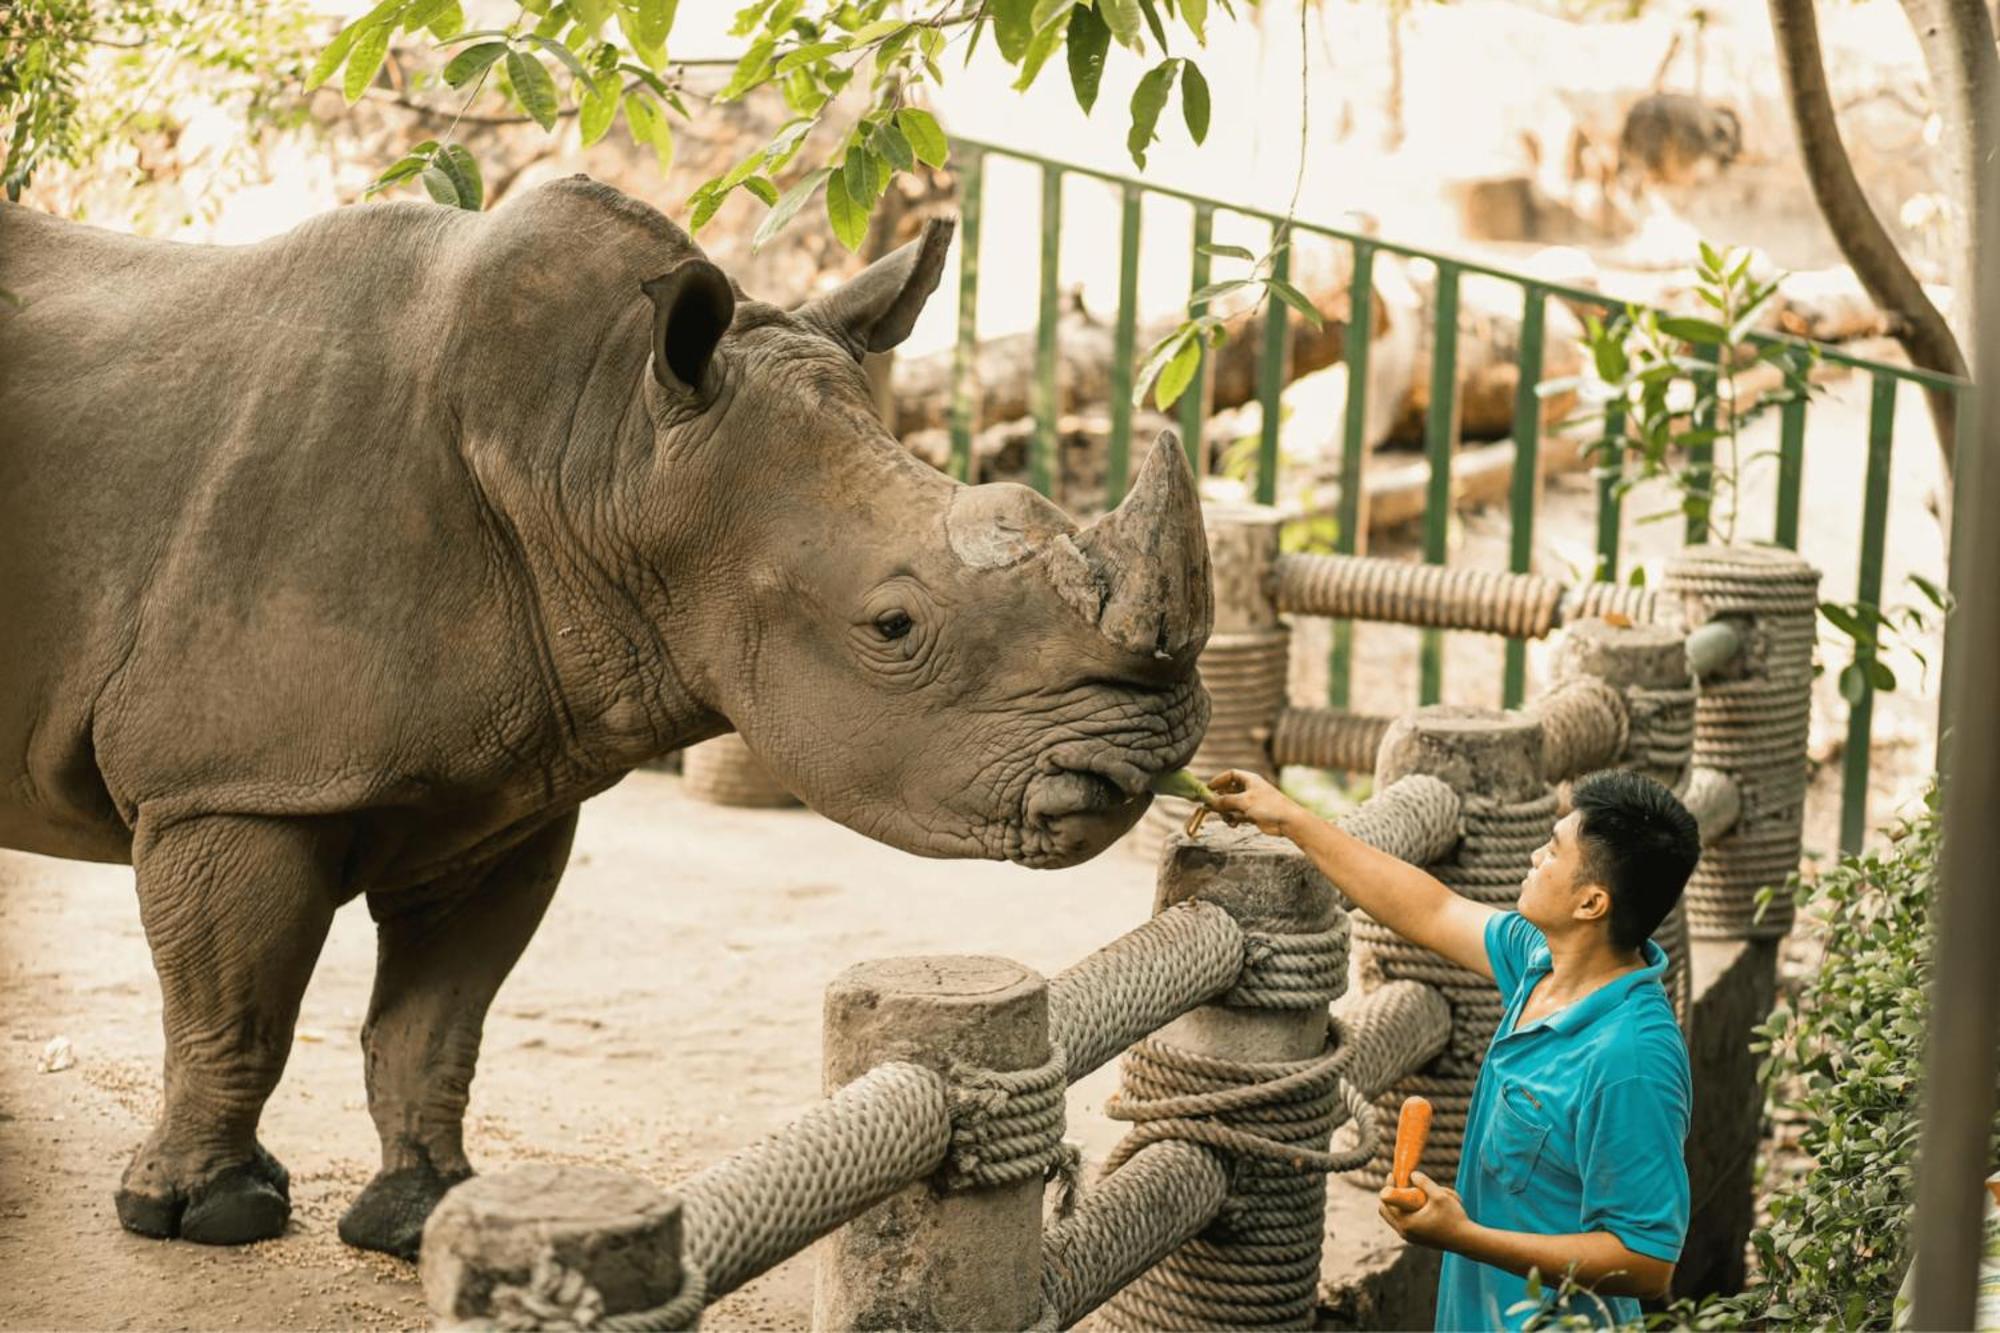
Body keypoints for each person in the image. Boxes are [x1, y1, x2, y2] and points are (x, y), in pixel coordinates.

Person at [1208, 767, 1701, 1331]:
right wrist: (1292, 820)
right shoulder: (1545, 960)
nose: (1535, 856)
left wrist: (1463, 1237)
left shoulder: (1631, 1061)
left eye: (1553, 851)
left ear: (1591, 904)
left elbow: (1646, 1261)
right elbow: (1431, 909)